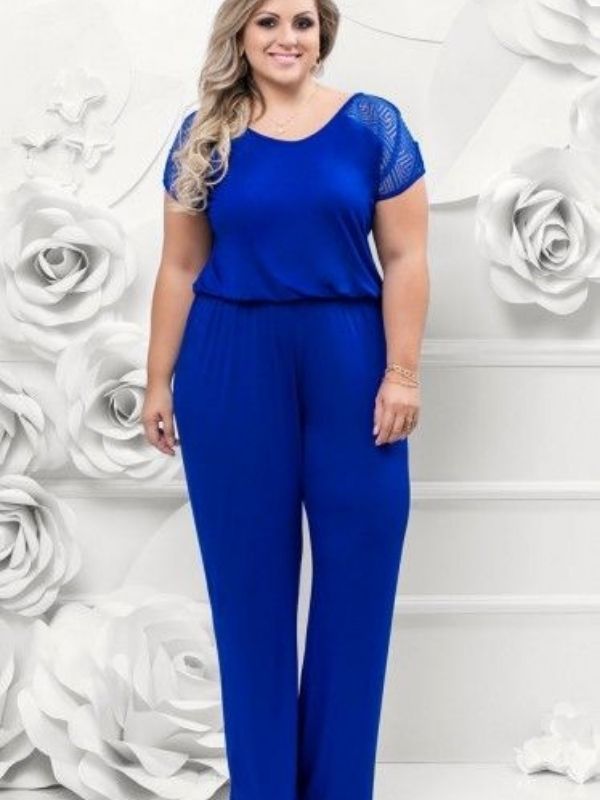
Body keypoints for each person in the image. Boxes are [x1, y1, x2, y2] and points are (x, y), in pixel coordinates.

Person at [143, 0, 429, 797]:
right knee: (249, 599)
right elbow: (180, 266)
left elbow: (406, 257)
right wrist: (157, 378)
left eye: (302, 21)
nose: (287, 38)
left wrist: (402, 373)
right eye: (268, 21)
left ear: (322, 33)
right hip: (230, 363)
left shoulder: (373, 126)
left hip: (350, 360)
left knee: (358, 586)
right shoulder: (203, 137)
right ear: (240, 34)